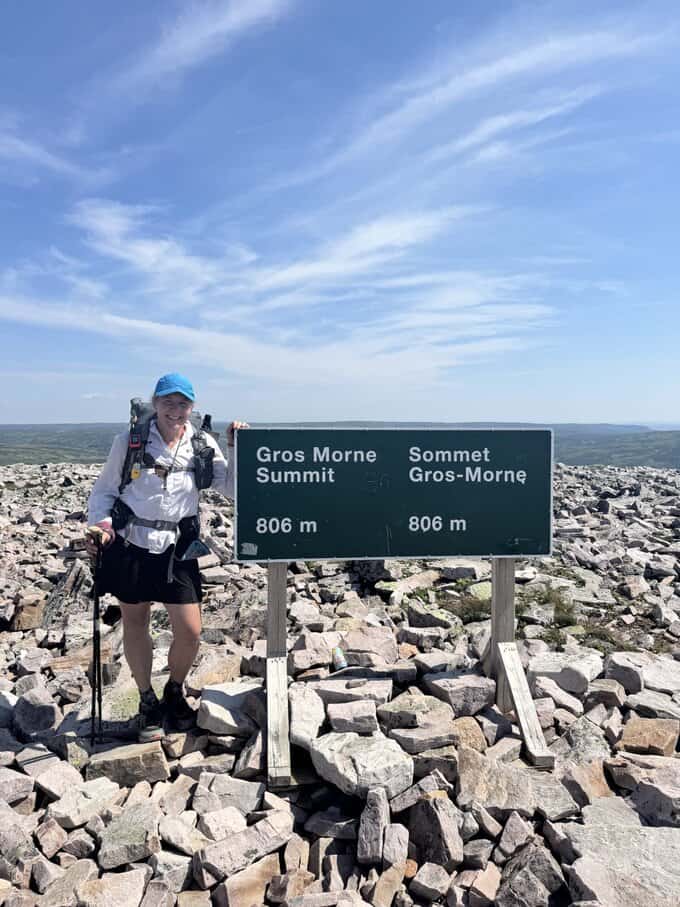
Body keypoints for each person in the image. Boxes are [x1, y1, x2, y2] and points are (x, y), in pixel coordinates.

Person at [86, 373, 247, 742]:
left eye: (183, 404)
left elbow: (232, 489)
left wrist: (236, 446)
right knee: (136, 622)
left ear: (192, 406)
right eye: (168, 402)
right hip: (132, 542)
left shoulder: (202, 442)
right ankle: (147, 700)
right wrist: (101, 527)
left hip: (179, 545)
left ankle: (174, 690)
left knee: (190, 631)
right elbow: (105, 491)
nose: (175, 410)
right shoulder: (128, 442)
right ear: (155, 403)